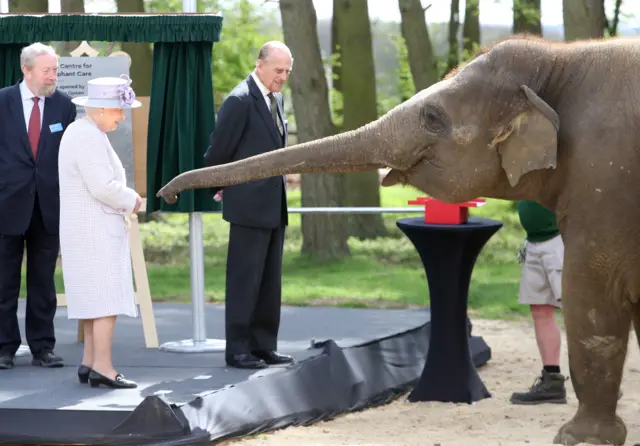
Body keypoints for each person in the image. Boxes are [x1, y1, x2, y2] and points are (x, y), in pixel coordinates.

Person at [204, 41, 294, 369]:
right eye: (277, 70)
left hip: (274, 206)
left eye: (287, 72)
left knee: (270, 282)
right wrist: (219, 185)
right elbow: (218, 152)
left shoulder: (278, 99)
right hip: (247, 207)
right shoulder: (240, 100)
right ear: (260, 65)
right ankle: (238, 349)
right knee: (244, 281)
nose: (282, 77)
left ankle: (263, 346)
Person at [57, 75, 143, 389]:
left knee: (95, 300)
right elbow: (103, 187)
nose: (122, 117)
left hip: (87, 230)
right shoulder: (87, 135)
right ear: (104, 109)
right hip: (94, 231)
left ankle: (90, 361)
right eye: (120, 110)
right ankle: (104, 367)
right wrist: (133, 199)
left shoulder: (83, 131)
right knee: (105, 300)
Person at [0, 43, 77, 370]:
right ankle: (4, 348)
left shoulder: (65, 107)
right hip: (6, 204)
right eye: (47, 70)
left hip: (48, 206)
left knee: (43, 282)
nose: (53, 76)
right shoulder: (2, 102)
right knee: (4, 281)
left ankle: (43, 347)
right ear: (27, 70)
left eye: (55, 70)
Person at [510, 200, 566, 404]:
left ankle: (602, 382)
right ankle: (552, 382)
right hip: (534, 240)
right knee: (540, 309)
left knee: (577, 310)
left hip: (560, 238)